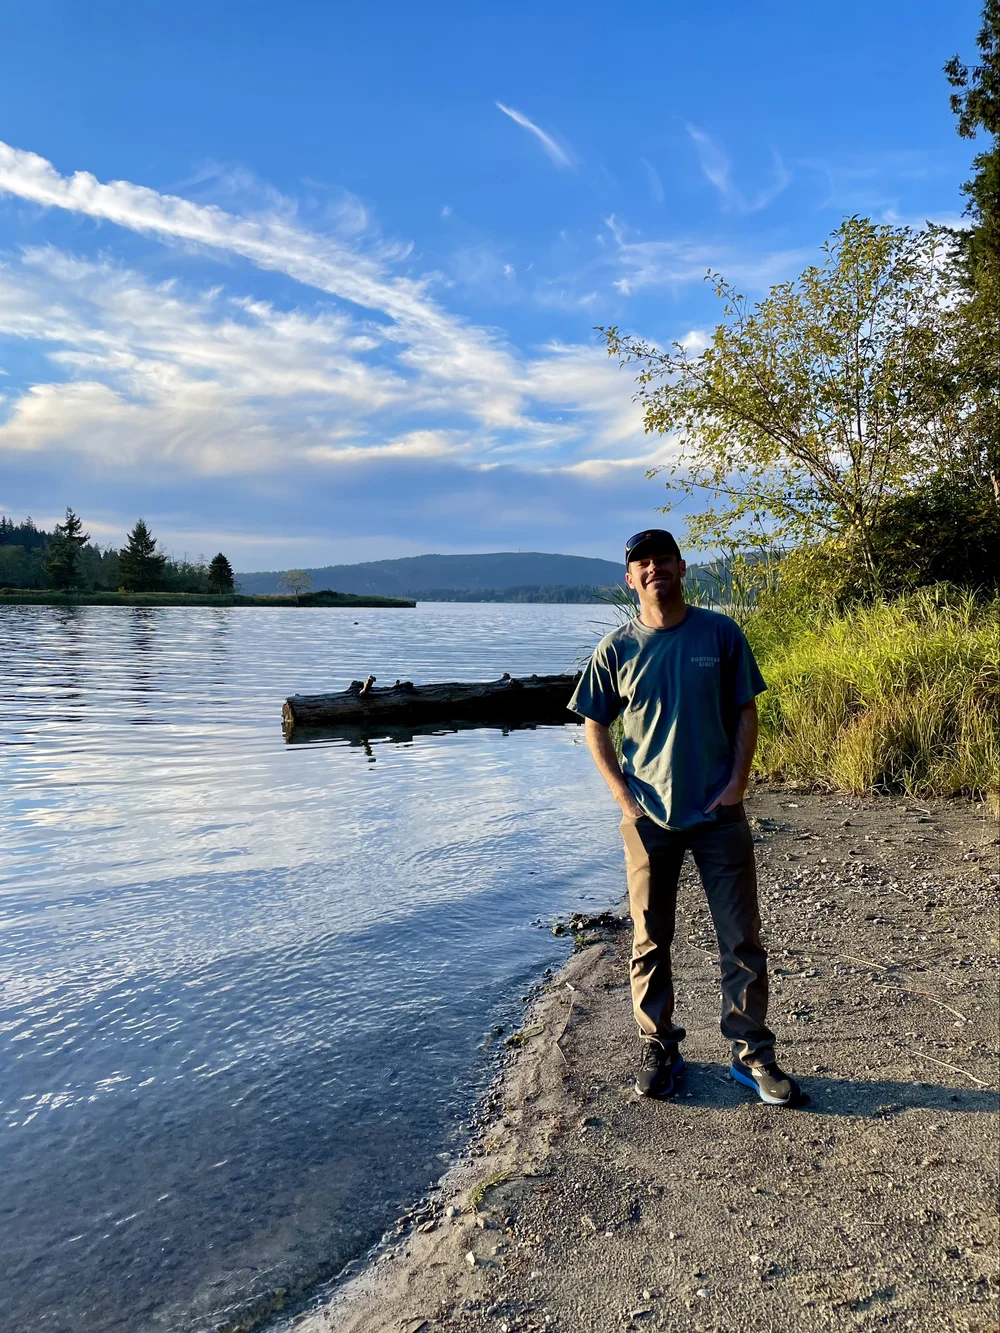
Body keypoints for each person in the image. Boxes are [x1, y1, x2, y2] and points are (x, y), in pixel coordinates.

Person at [569, 528, 801, 1107]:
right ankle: (661, 1046)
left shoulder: (720, 634)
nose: (654, 569)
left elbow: (746, 710)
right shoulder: (616, 648)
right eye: (642, 563)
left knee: (741, 938)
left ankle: (752, 1057)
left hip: (719, 814)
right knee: (649, 940)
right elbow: (593, 724)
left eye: (663, 559)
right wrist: (625, 802)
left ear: (680, 568)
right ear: (631, 577)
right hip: (648, 818)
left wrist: (736, 786)